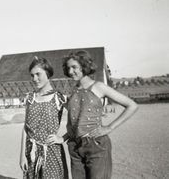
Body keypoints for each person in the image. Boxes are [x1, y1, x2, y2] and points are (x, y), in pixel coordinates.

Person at [50, 50, 138, 179]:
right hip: (75, 148)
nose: (70, 71)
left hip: (96, 146)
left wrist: (109, 127)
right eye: (68, 68)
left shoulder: (99, 87)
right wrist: (62, 138)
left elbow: (132, 105)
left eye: (74, 67)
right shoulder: (73, 92)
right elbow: (75, 123)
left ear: (84, 66)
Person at [19, 56, 68, 179]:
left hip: (51, 151)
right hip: (31, 152)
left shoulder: (59, 98)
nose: (35, 79)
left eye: (38, 74)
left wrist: (63, 138)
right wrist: (22, 156)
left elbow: (77, 120)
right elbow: (26, 127)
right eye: (32, 75)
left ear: (47, 73)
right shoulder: (30, 98)